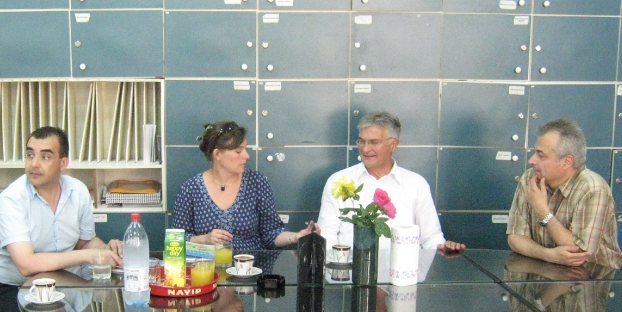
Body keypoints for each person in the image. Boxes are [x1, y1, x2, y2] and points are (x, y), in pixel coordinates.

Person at [0, 127, 123, 312]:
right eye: (30, 155)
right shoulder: (12, 199)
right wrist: (89, 255)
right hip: (11, 288)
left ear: (63, 163)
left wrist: (106, 249)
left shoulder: (78, 191)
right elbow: (27, 265)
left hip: (65, 281)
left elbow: (85, 242)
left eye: (45, 157)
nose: (34, 164)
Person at [317, 111, 465, 253]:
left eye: (374, 142)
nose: (365, 149)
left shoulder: (416, 184)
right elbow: (326, 235)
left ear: (393, 144)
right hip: (350, 268)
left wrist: (442, 248)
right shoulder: (339, 182)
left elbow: (430, 237)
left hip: (404, 269)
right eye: (361, 141)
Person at [172, 121, 316, 251]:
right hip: (206, 268)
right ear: (217, 154)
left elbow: (271, 232)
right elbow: (175, 241)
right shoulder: (190, 189)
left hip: (251, 268)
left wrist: (295, 237)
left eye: (245, 149)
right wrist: (204, 239)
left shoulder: (257, 182)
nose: (247, 155)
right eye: (238, 151)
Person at [507, 118, 622, 268]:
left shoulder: (593, 189)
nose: (531, 160)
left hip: (595, 275)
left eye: (541, 155)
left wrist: (543, 212)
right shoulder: (530, 178)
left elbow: (579, 254)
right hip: (546, 270)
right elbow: (515, 237)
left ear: (567, 162)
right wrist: (548, 255)